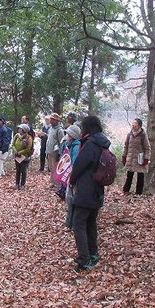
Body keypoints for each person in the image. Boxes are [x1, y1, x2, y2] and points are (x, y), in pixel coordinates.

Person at [69, 116, 111, 271]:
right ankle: (93, 254)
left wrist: (71, 180)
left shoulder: (90, 144)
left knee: (78, 223)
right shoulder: (102, 143)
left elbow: (79, 166)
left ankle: (84, 260)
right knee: (90, 222)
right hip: (97, 190)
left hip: (86, 190)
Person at [122, 118, 151, 195]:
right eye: (133, 123)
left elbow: (147, 148)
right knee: (129, 175)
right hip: (130, 158)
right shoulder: (129, 135)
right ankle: (126, 191)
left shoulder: (143, 135)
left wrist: (146, 159)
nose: (133, 125)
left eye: (135, 123)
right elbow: (126, 146)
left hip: (140, 159)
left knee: (140, 176)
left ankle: (138, 193)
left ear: (139, 125)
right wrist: (124, 156)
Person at [61, 125, 81, 229]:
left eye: (68, 134)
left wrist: (71, 178)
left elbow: (74, 163)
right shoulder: (70, 145)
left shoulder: (76, 146)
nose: (67, 136)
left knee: (70, 198)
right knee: (69, 198)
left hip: (73, 176)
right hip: (69, 175)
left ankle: (71, 223)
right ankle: (69, 222)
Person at [11, 124, 33, 190]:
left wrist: (20, 153)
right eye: (19, 128)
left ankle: (22, 185)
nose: (19, 129)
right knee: (18, 170)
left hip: (24, 157)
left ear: (24, 130)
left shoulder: (29, 138)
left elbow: (28, 148)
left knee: (23, 171)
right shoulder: (17, 135)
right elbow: (12, 145)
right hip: (17, 156)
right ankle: (17, 184)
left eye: (20, 128)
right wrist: (15, 151)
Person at [46, 113, 65, 189]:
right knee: (51, 168)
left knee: (55, 168)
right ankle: (52, 182)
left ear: (56, 120)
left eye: (52, 119)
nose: (50, 120)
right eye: (50, 118)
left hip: (55, 153)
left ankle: (55, 183)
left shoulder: (60, 130)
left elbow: (61, 142)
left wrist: (59, 153)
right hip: (49, 151)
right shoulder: (50, 128)